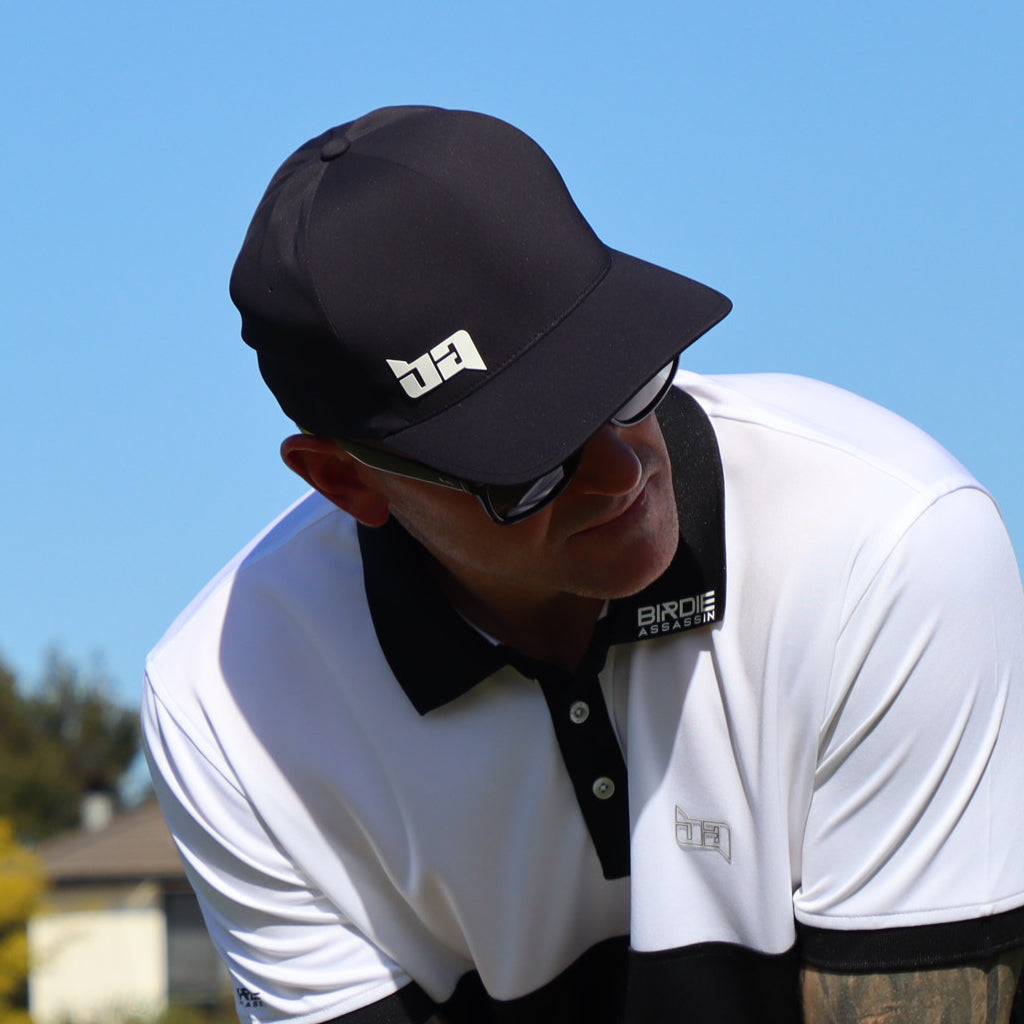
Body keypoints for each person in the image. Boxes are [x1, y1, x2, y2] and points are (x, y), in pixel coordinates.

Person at [142, 105, 1024, 1024]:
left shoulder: (883, 540)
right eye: (527, 459)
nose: (623, 472)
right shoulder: (227, 709)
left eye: (619, 378)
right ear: (345, 481)